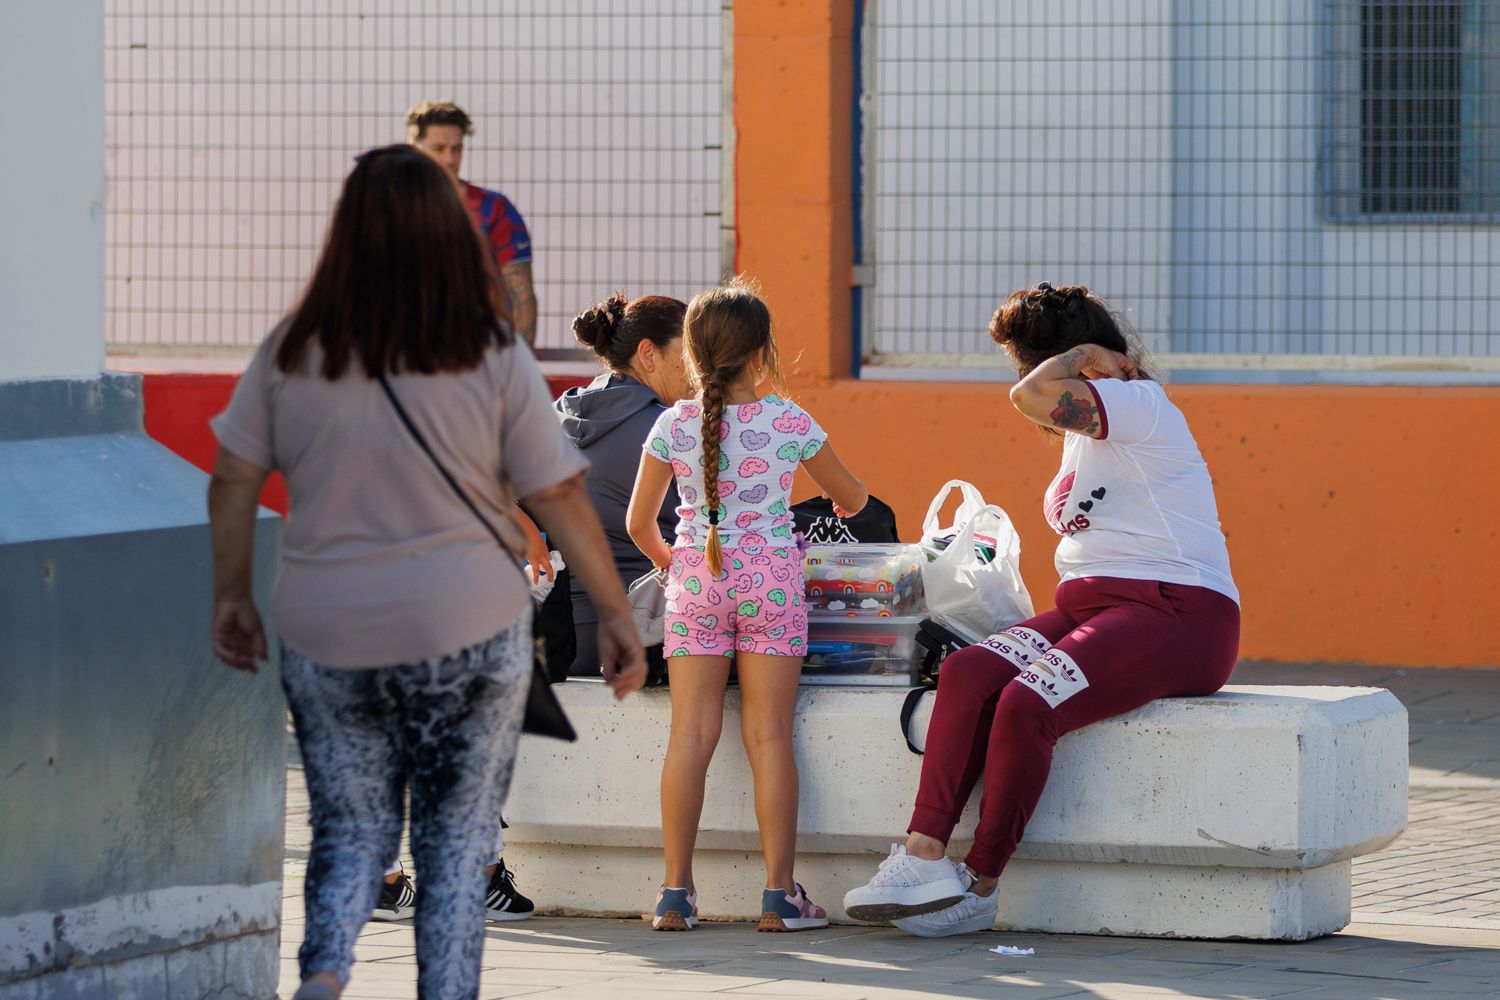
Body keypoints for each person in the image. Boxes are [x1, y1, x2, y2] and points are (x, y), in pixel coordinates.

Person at [207, 145, 646, 1000]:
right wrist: (616, 613)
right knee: (453, 837)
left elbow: (231, 479)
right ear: (451, 236)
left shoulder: (295, 347)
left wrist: (230, 593)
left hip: (329, 623)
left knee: (347, 824)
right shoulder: (487, 350)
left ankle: (327, 974)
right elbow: (555, 493)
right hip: (466, 625)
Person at [842, 282, 1240, 938]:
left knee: (1029, 703)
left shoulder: (1138, 404)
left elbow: (1029, 397)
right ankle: (921, 860)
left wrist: (1083, 354)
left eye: (1029, 361)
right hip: (1096, 608)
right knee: (969, 674)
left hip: (1178, 615)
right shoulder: (1087, 430)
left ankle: (980, 885)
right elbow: (1038, 405)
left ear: (1076, 365)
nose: (1024, 379)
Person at [626, 280, 869, 932]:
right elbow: (853, 497)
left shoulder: (672, 424)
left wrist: (674, 565)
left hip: (696, 584)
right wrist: (839, 501)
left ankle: (675, 894)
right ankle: (777, 895)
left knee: (690, 735)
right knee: (768, 735)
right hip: (772, 586)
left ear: (694, 355)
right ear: (763, 352)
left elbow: (638, 524)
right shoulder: (789, 421)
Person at [556, 293, 694, 675]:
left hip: (554, 637)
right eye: (691, 356)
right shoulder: (669, 431)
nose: (702, 372)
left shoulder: (555, 418)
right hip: (645, 637)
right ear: (648, 355)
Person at [407, 100, 538, 346]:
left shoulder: (494, 209)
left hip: (476, 356)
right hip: (404, 357)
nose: (450, 158)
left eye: (457, 148)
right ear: (415, 150)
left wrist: (520, 372)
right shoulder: (390, 210)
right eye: (439, 148)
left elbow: (522, 297)